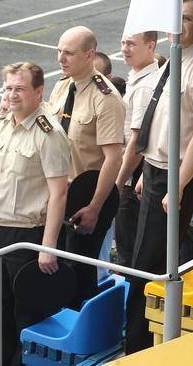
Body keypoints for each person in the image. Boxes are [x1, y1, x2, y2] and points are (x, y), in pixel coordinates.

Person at [125, 0, 193, 354]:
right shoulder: (176, 54)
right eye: (175, 17)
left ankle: (140, 347)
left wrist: (178, 185)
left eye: (186, 18)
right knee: (141, 259)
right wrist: (147, 167)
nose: (178, 25)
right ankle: (138, 339)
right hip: (157, 169)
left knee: (151, 264)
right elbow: (166, 117)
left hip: (177, 174)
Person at [0, 62, 71, 366]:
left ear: (39, 92)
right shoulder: (3, 124)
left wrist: (47, 247)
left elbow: (59, 193)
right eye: (8, 88)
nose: (12, 95)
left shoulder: (48, 133)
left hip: (27, 236)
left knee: (26, 315)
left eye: (20, 89)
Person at [48, 26, 125, 304]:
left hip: (84, 197)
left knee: (79, 274)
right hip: (57, 192)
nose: (61, 58)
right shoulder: (61, 86)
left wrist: (94, 207)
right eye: (59, 51)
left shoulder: (105, 98)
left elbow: (113, 158)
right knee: (54, 269)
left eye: (68, 53)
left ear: (90, 55)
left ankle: (83, 323)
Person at [114, 31, 159, 268]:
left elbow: (137, 141)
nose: (124, 48)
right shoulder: (139, 77)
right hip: (134, 177)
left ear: (150, 46)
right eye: (123, 42)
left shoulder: (144, 86)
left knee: (128, 252)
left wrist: (118, 183)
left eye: (131, 44)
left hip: (131, 180)